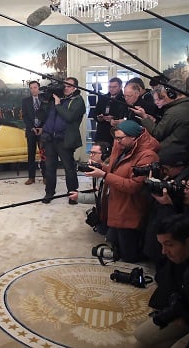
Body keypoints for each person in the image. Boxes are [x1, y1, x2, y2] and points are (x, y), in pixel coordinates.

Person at [135, 215, 189, 348]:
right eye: (161, 245)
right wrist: (170, 315)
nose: (164, 251)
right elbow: (182, 294)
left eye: (169, 245)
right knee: (142, 335)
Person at [84, 120, 159, 262]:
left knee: (129, 257)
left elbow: (133, 186)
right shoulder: (122, 149)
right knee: (115, 245)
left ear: (134, 137)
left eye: (120, 138)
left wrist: (104, 175)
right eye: (115, 138)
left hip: (130, 210)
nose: (117, 142)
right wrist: (100, 167)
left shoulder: (148, 156)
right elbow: (116, 172)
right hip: (116, 205)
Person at [41, 77, 86, 204]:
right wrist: (47, 100)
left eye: (69, 86)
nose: (65, 88)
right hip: (50, 139)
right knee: (49, 167)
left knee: (69, 168)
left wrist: (57, 104)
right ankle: (49, 193)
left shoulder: (78, 101)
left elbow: (69, 116)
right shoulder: (58, 98)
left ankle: (73, 195)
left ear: (75, 88)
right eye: (64, 86)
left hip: (65, 139)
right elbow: (44, 116)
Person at [132, 78, 189, 156]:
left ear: (172, 94)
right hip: (182, 152)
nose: (164, 99)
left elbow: (157, 133)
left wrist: (144, 117)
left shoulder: (174, 111)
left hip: (171, 155)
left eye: (164, 96)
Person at [69, 141, 111, 235]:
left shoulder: (107, 172)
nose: (91, 156)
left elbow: (101, 198)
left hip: (112, 211)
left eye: (94, 153)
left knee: (103, 231)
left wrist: (79, 197)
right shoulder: (98, 168)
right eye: (90, 152)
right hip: (105, 206)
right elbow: (98, 193)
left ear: (104, 156)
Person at [21, 80, 46, 185]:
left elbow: (48, 115)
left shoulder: (45, 99)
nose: (33, 90)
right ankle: (31, 177)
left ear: (38, 88)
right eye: (31, 88)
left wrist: (43, 128)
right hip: (31, 131)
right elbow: (25, 116)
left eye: (35, 87)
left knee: (44, 155)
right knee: (31, 155)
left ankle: (46, 176)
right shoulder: (25, 101)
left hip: (43, 131)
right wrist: (31, 127)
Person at [93, 77, 126, 144]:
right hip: (102, 132)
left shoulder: (124, 99)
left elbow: (126, 116)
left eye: (114, 87)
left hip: (117, 132)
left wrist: (114, 118)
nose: (111, 89)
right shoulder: (103, 98)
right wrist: (99, 118)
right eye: (110, 87)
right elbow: (95, 113)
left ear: (120, 87)